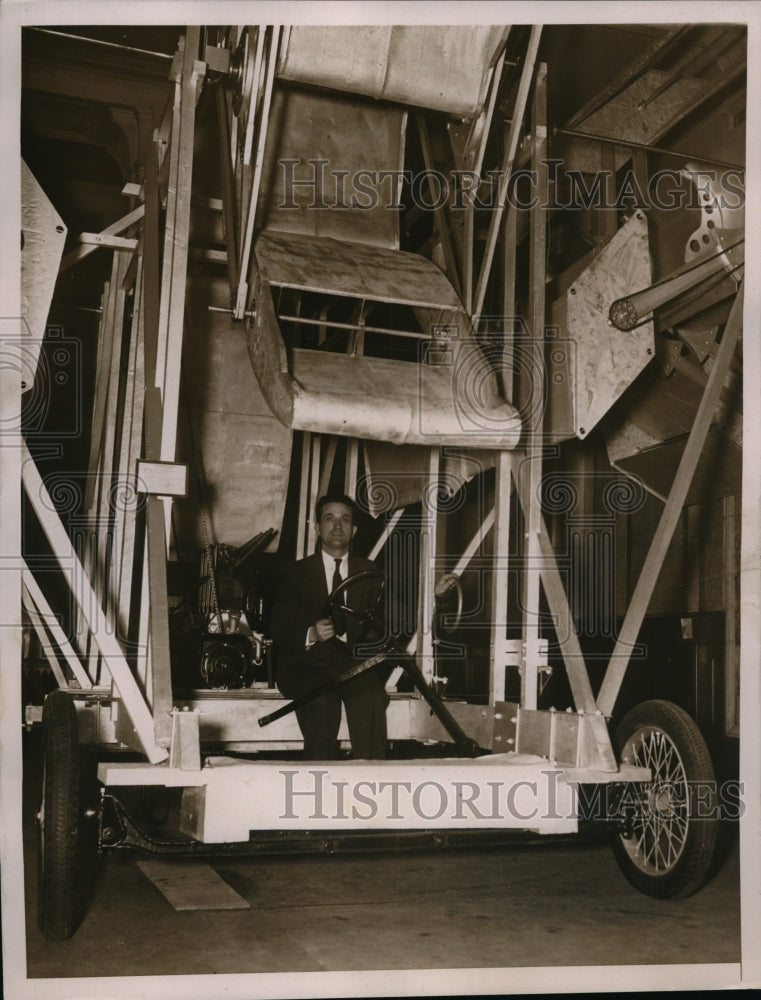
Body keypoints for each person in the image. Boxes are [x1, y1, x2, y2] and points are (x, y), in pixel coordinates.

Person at [270, 493, 389, 760]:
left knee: (371, 696)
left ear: (354, 530)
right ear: (317, 528)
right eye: (329, 518)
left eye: (345, 520)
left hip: (350, 666)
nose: (337, 526)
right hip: (304, 666)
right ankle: (319, 783)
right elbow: (277, 625)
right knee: (323, 702)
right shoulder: (295, 573)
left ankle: (373, 782)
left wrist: (438, 596)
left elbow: (389, 621)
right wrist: (310, 633)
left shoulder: (369, 573)